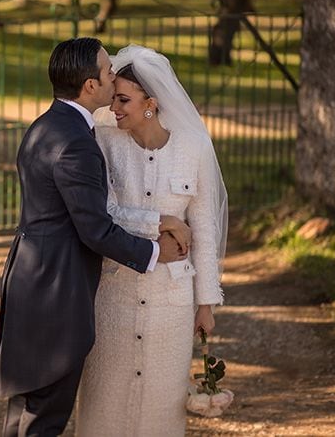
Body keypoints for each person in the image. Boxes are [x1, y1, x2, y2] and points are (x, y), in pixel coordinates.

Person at [0, 38, 190, 436]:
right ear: (90, 86)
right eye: (108, 71)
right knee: (42, 419)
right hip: (54, 293)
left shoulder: (47, 126)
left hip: (34, 281)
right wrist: (155, 253)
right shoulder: (76, 142)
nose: (115, 76)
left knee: (29, 415)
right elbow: (95, 229)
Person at [75, 44, 229, 436]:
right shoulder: (105, 145)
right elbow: (102, 215)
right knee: (103, 400)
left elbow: (205, 229)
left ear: (151, 103)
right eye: (115, 99)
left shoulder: (193, 149)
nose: (115, 108)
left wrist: (206, 303)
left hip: (172, 304)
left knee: (163, 404)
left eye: (124, 100)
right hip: (112, 296)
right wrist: (161, 223)